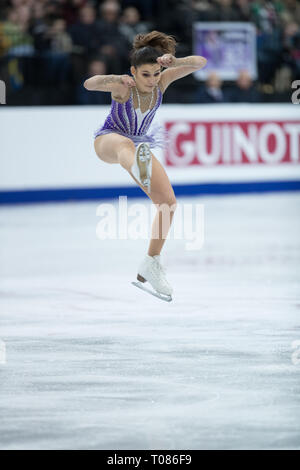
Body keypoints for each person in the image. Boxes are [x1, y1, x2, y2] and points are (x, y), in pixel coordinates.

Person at [84, 30, 207, 301]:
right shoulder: (123, 86)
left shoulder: (163, 81)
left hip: (139, 144)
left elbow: (200, 63)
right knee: (126, 146)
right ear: (134, 72)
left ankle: (151, 262)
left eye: (155, 74)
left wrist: (174, 62)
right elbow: (89, 84)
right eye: (145, 75)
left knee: (168, 203)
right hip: (109, 140)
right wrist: (117, 79)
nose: (151, 81)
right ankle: (140, 168)